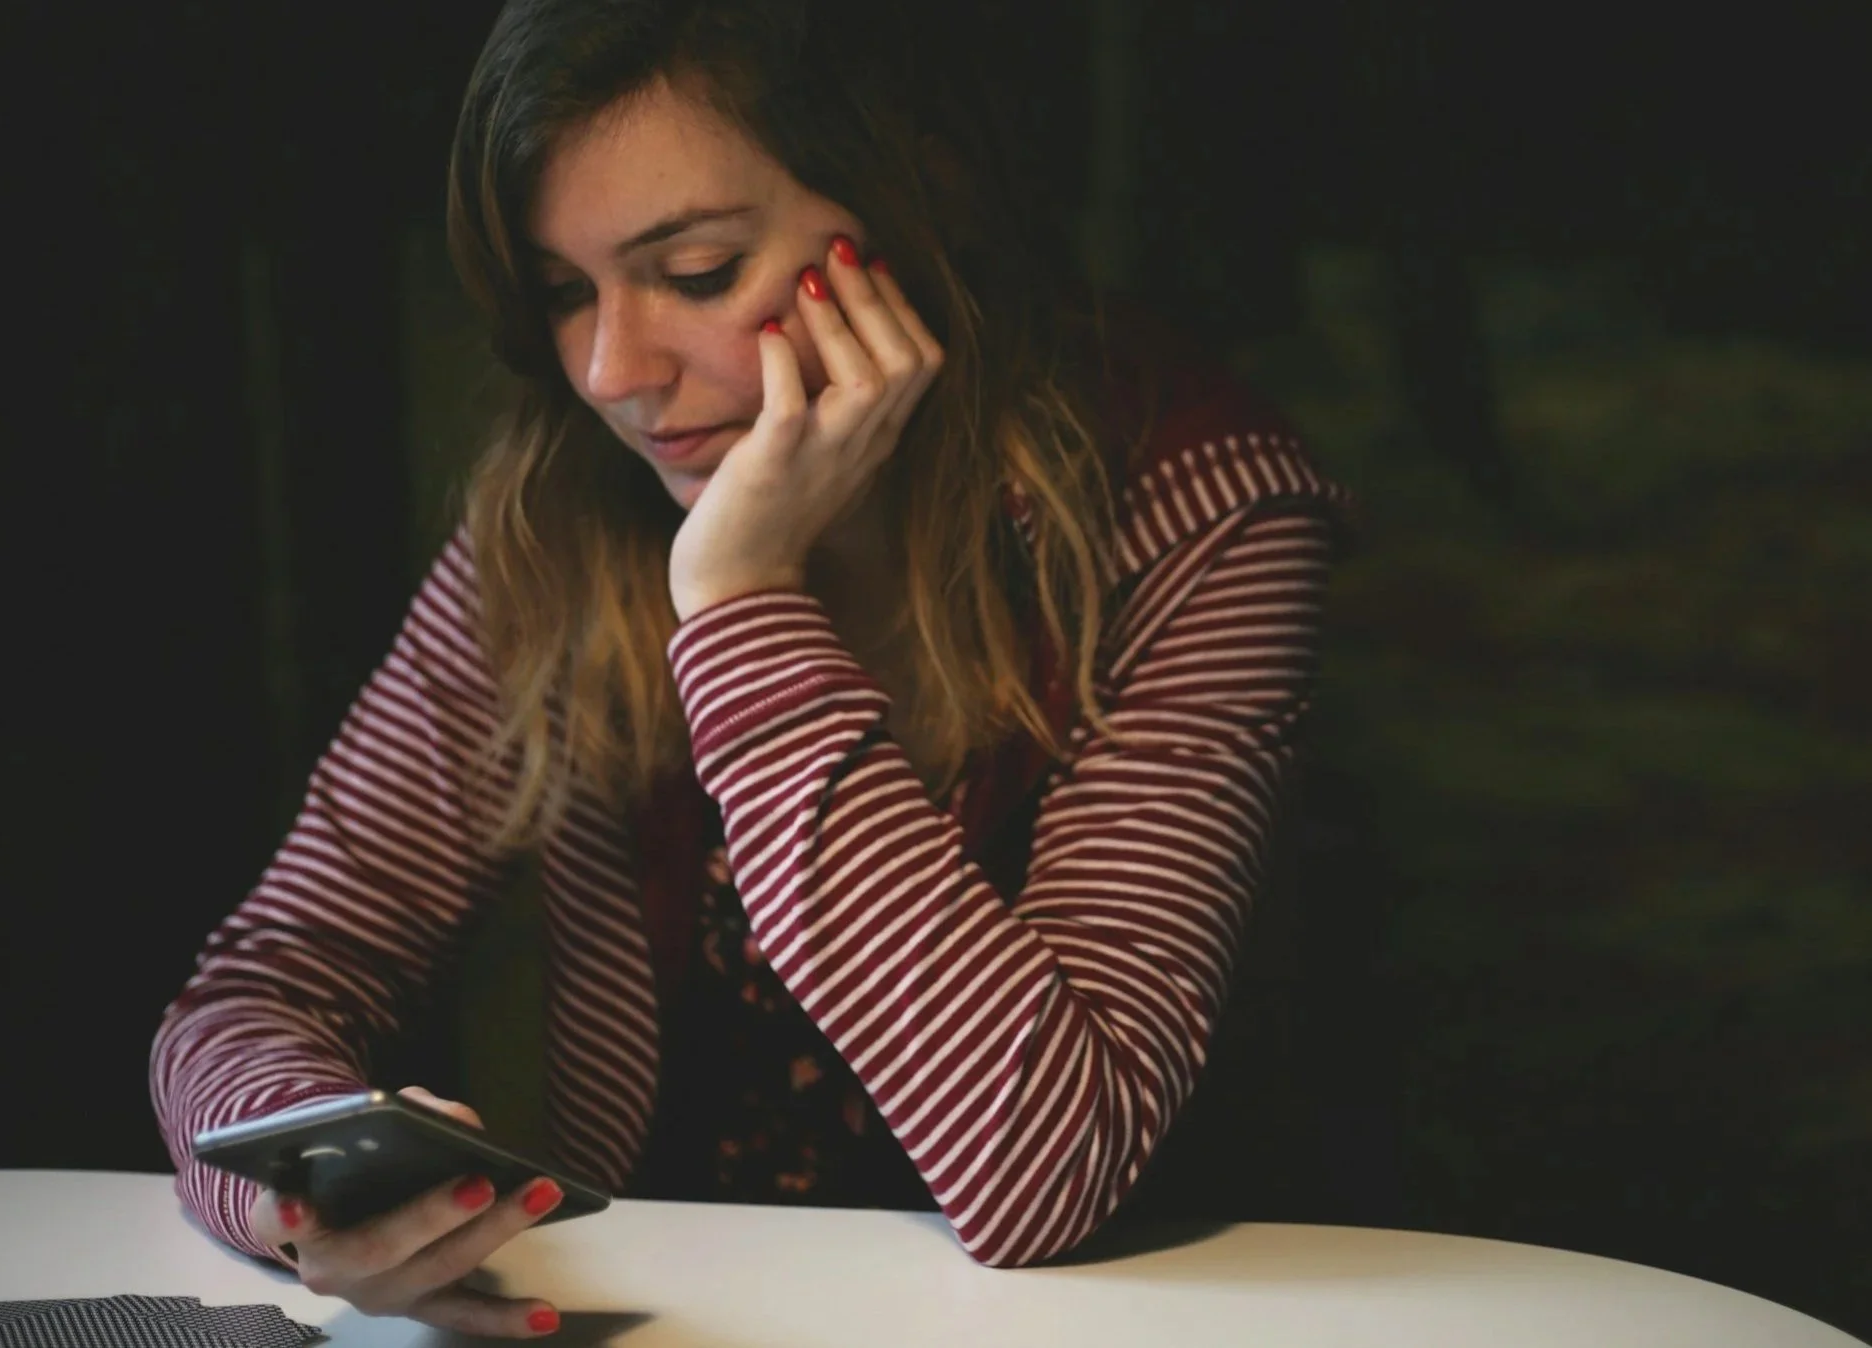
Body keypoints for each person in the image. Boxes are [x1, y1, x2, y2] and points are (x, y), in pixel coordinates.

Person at [151, 0, 1356, 1337]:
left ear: (906, 204)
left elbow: (1040, 1171)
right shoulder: (558, 520)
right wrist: (305, 1195)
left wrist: (737, 600)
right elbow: (268, 977)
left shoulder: (1197, 511)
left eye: (699, 269)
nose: (612, 371)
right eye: (564, 291)